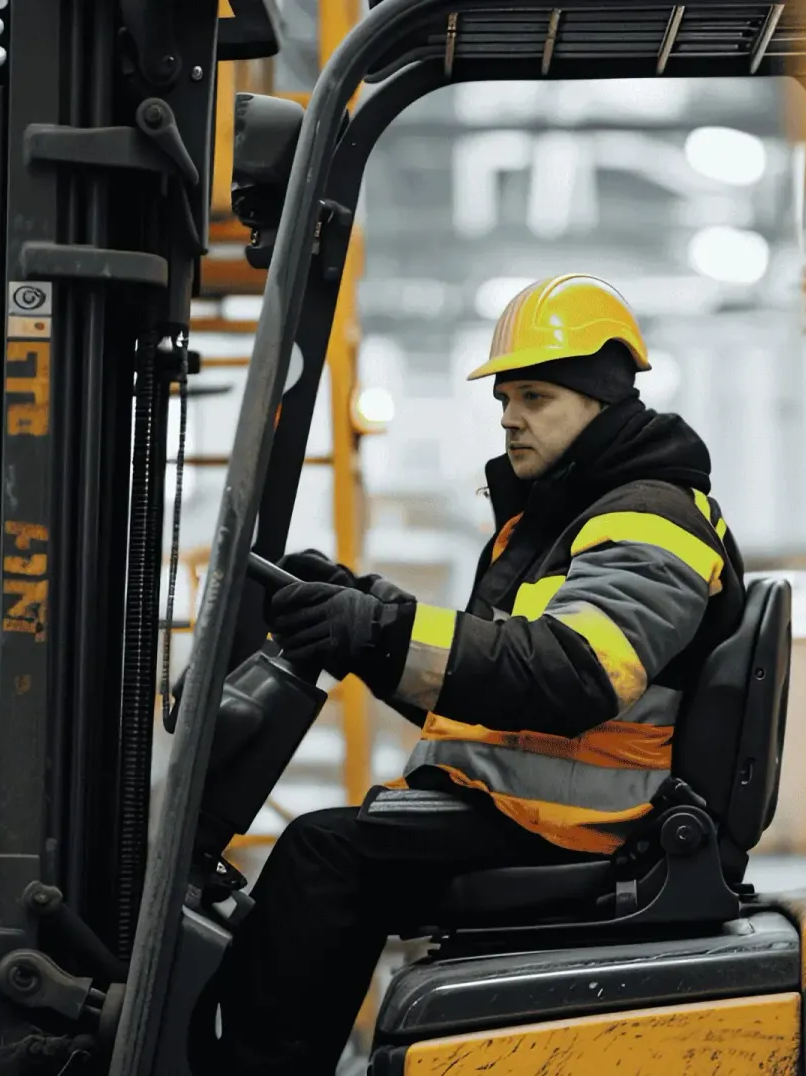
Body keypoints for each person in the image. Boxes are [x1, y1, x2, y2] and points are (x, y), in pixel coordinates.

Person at [205, 273, 746, 1074]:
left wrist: (383, 632)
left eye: (535, 397)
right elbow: (488, 674)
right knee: (330, 848)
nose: (508, 418)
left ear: (601, 398)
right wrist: (359, 616)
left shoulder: (647, 516)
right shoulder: (567, 513)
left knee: (323, 858)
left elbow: (571, 673)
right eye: (504, 398)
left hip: (586, 821)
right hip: (533, 805)